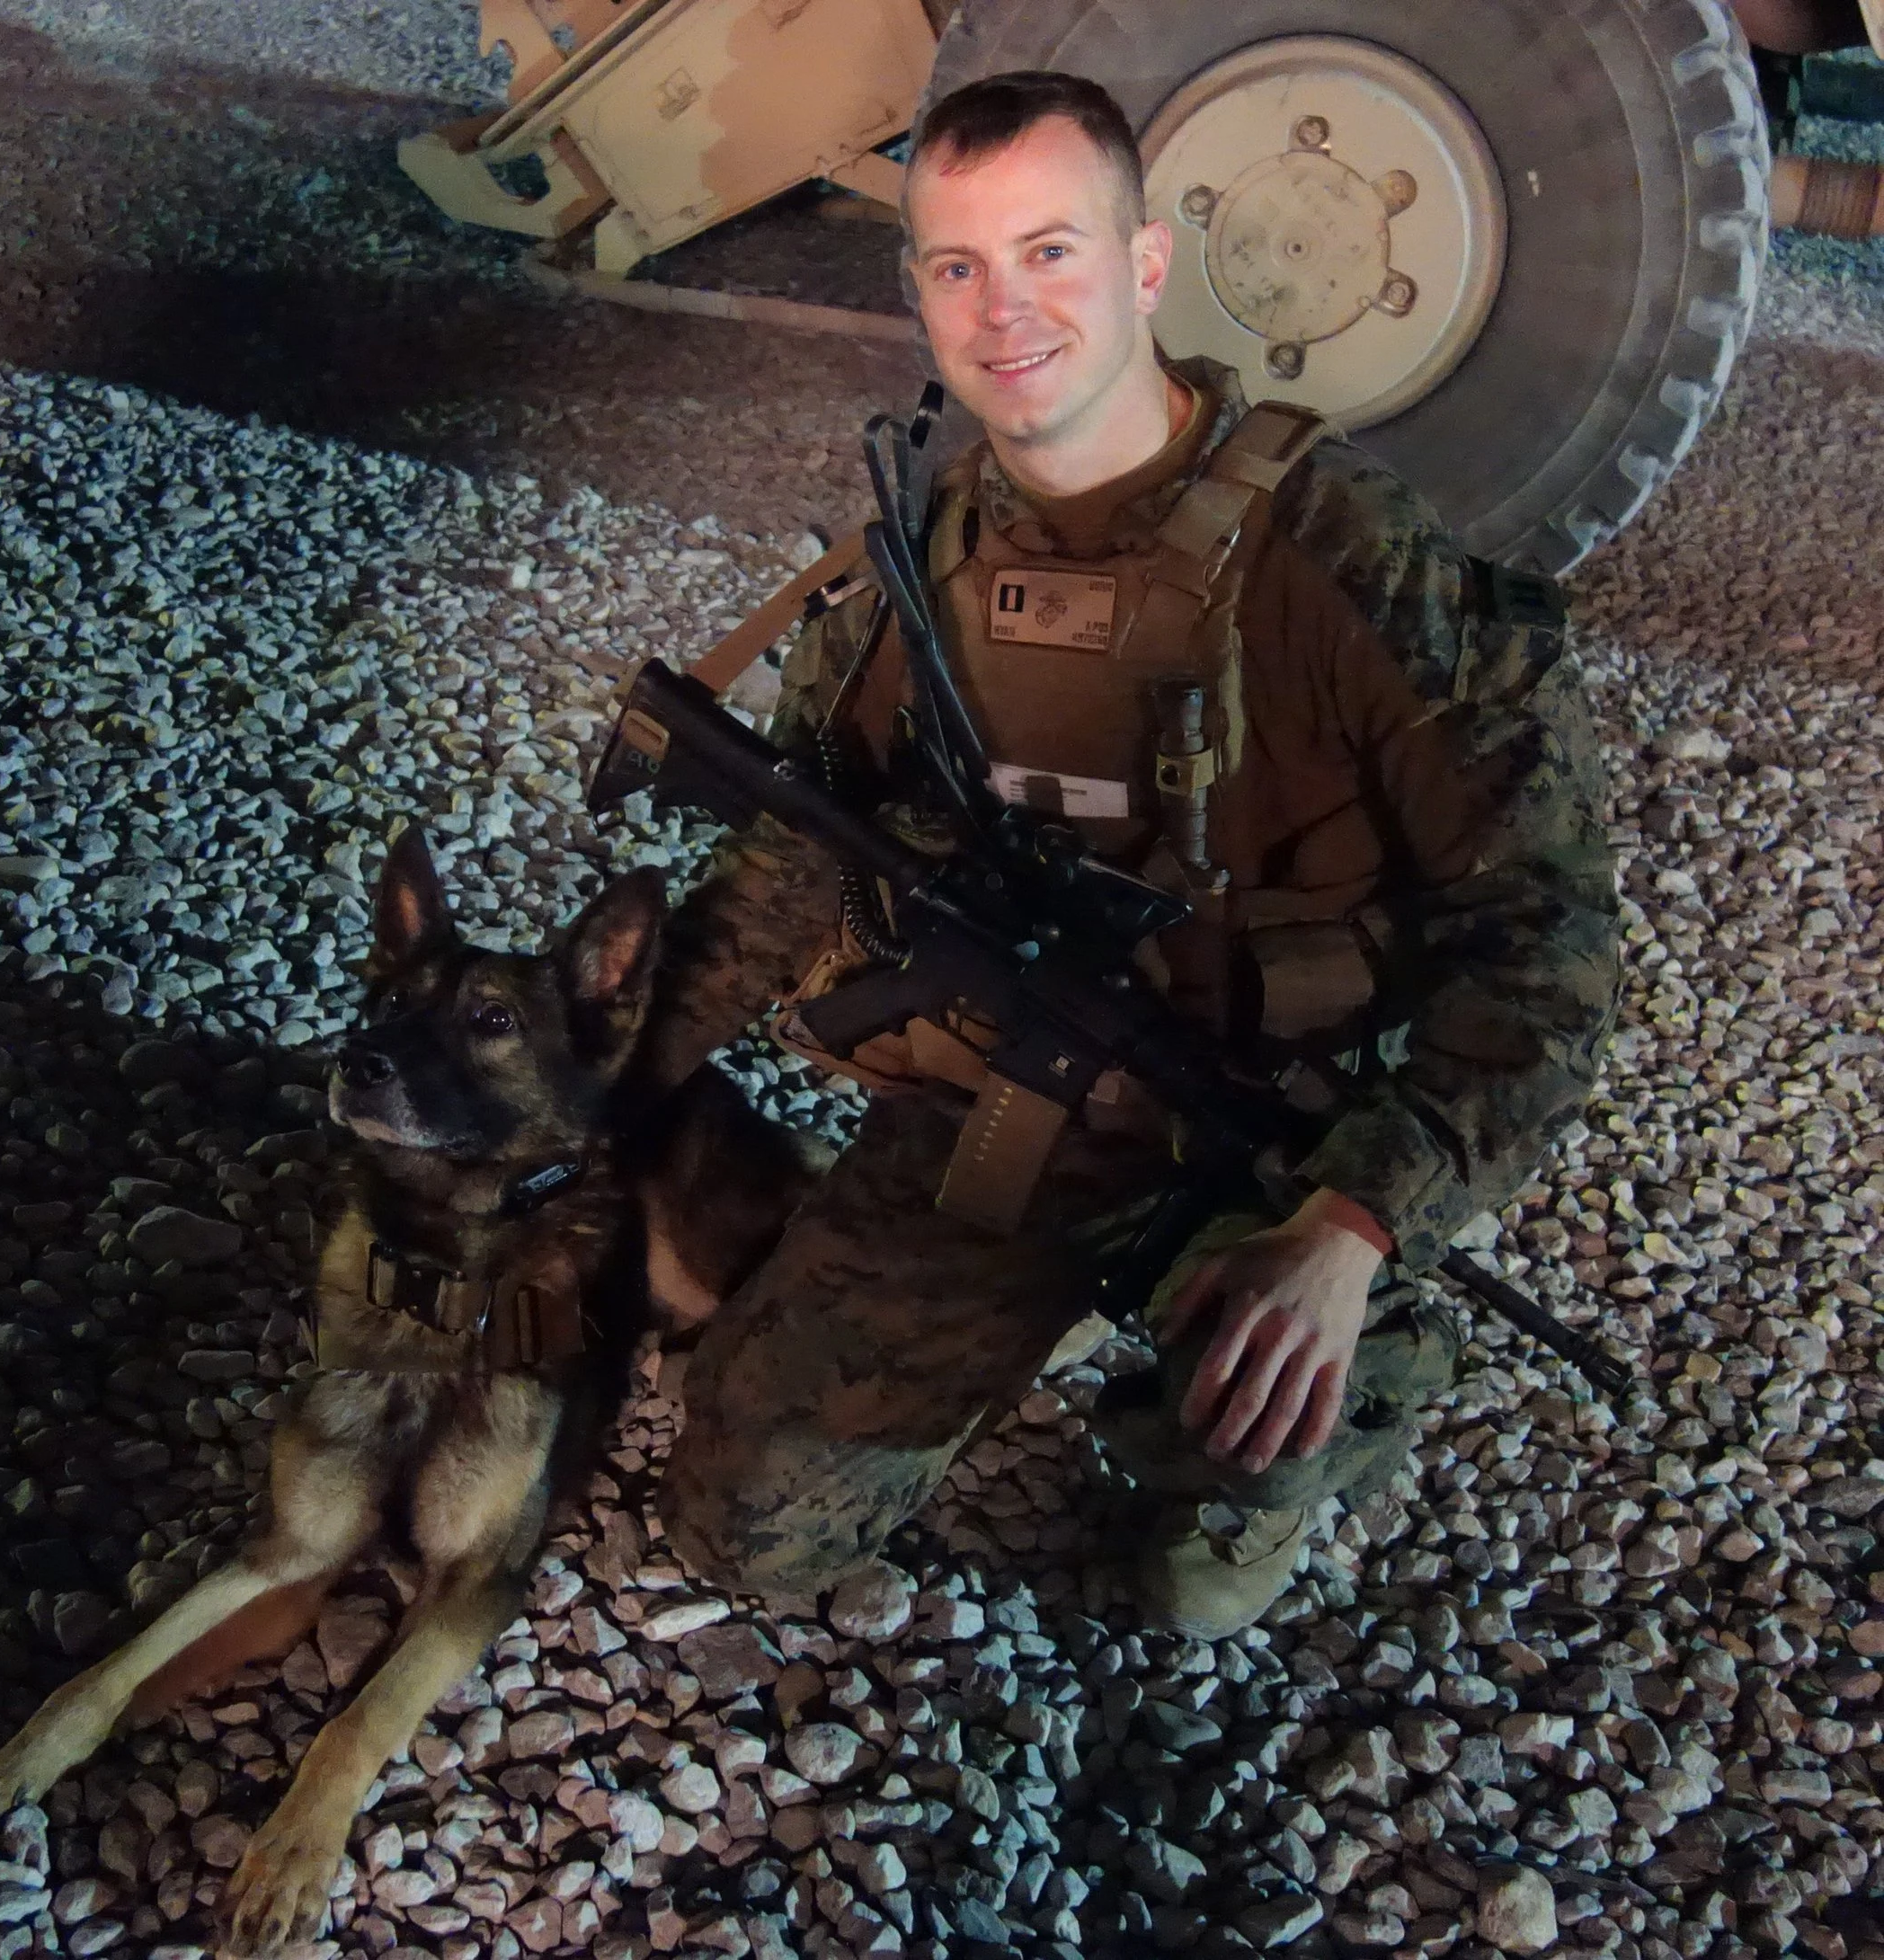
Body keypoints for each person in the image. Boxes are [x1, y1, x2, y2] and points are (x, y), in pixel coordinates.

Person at [635, 70, 1621, 1636]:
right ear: (917, 294)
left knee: (1188, 1591)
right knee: (748, 1533)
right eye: (956, 266)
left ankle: (1341, 1373)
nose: (1002, 310)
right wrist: (608, 1076)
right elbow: (795, 846)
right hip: (997, 1121)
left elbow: (1551, 947)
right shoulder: (927, 550)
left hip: (1264, 1145)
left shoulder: (1348, 558)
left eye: (1050, 252)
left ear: (1148, 265)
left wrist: (1355, 1229)